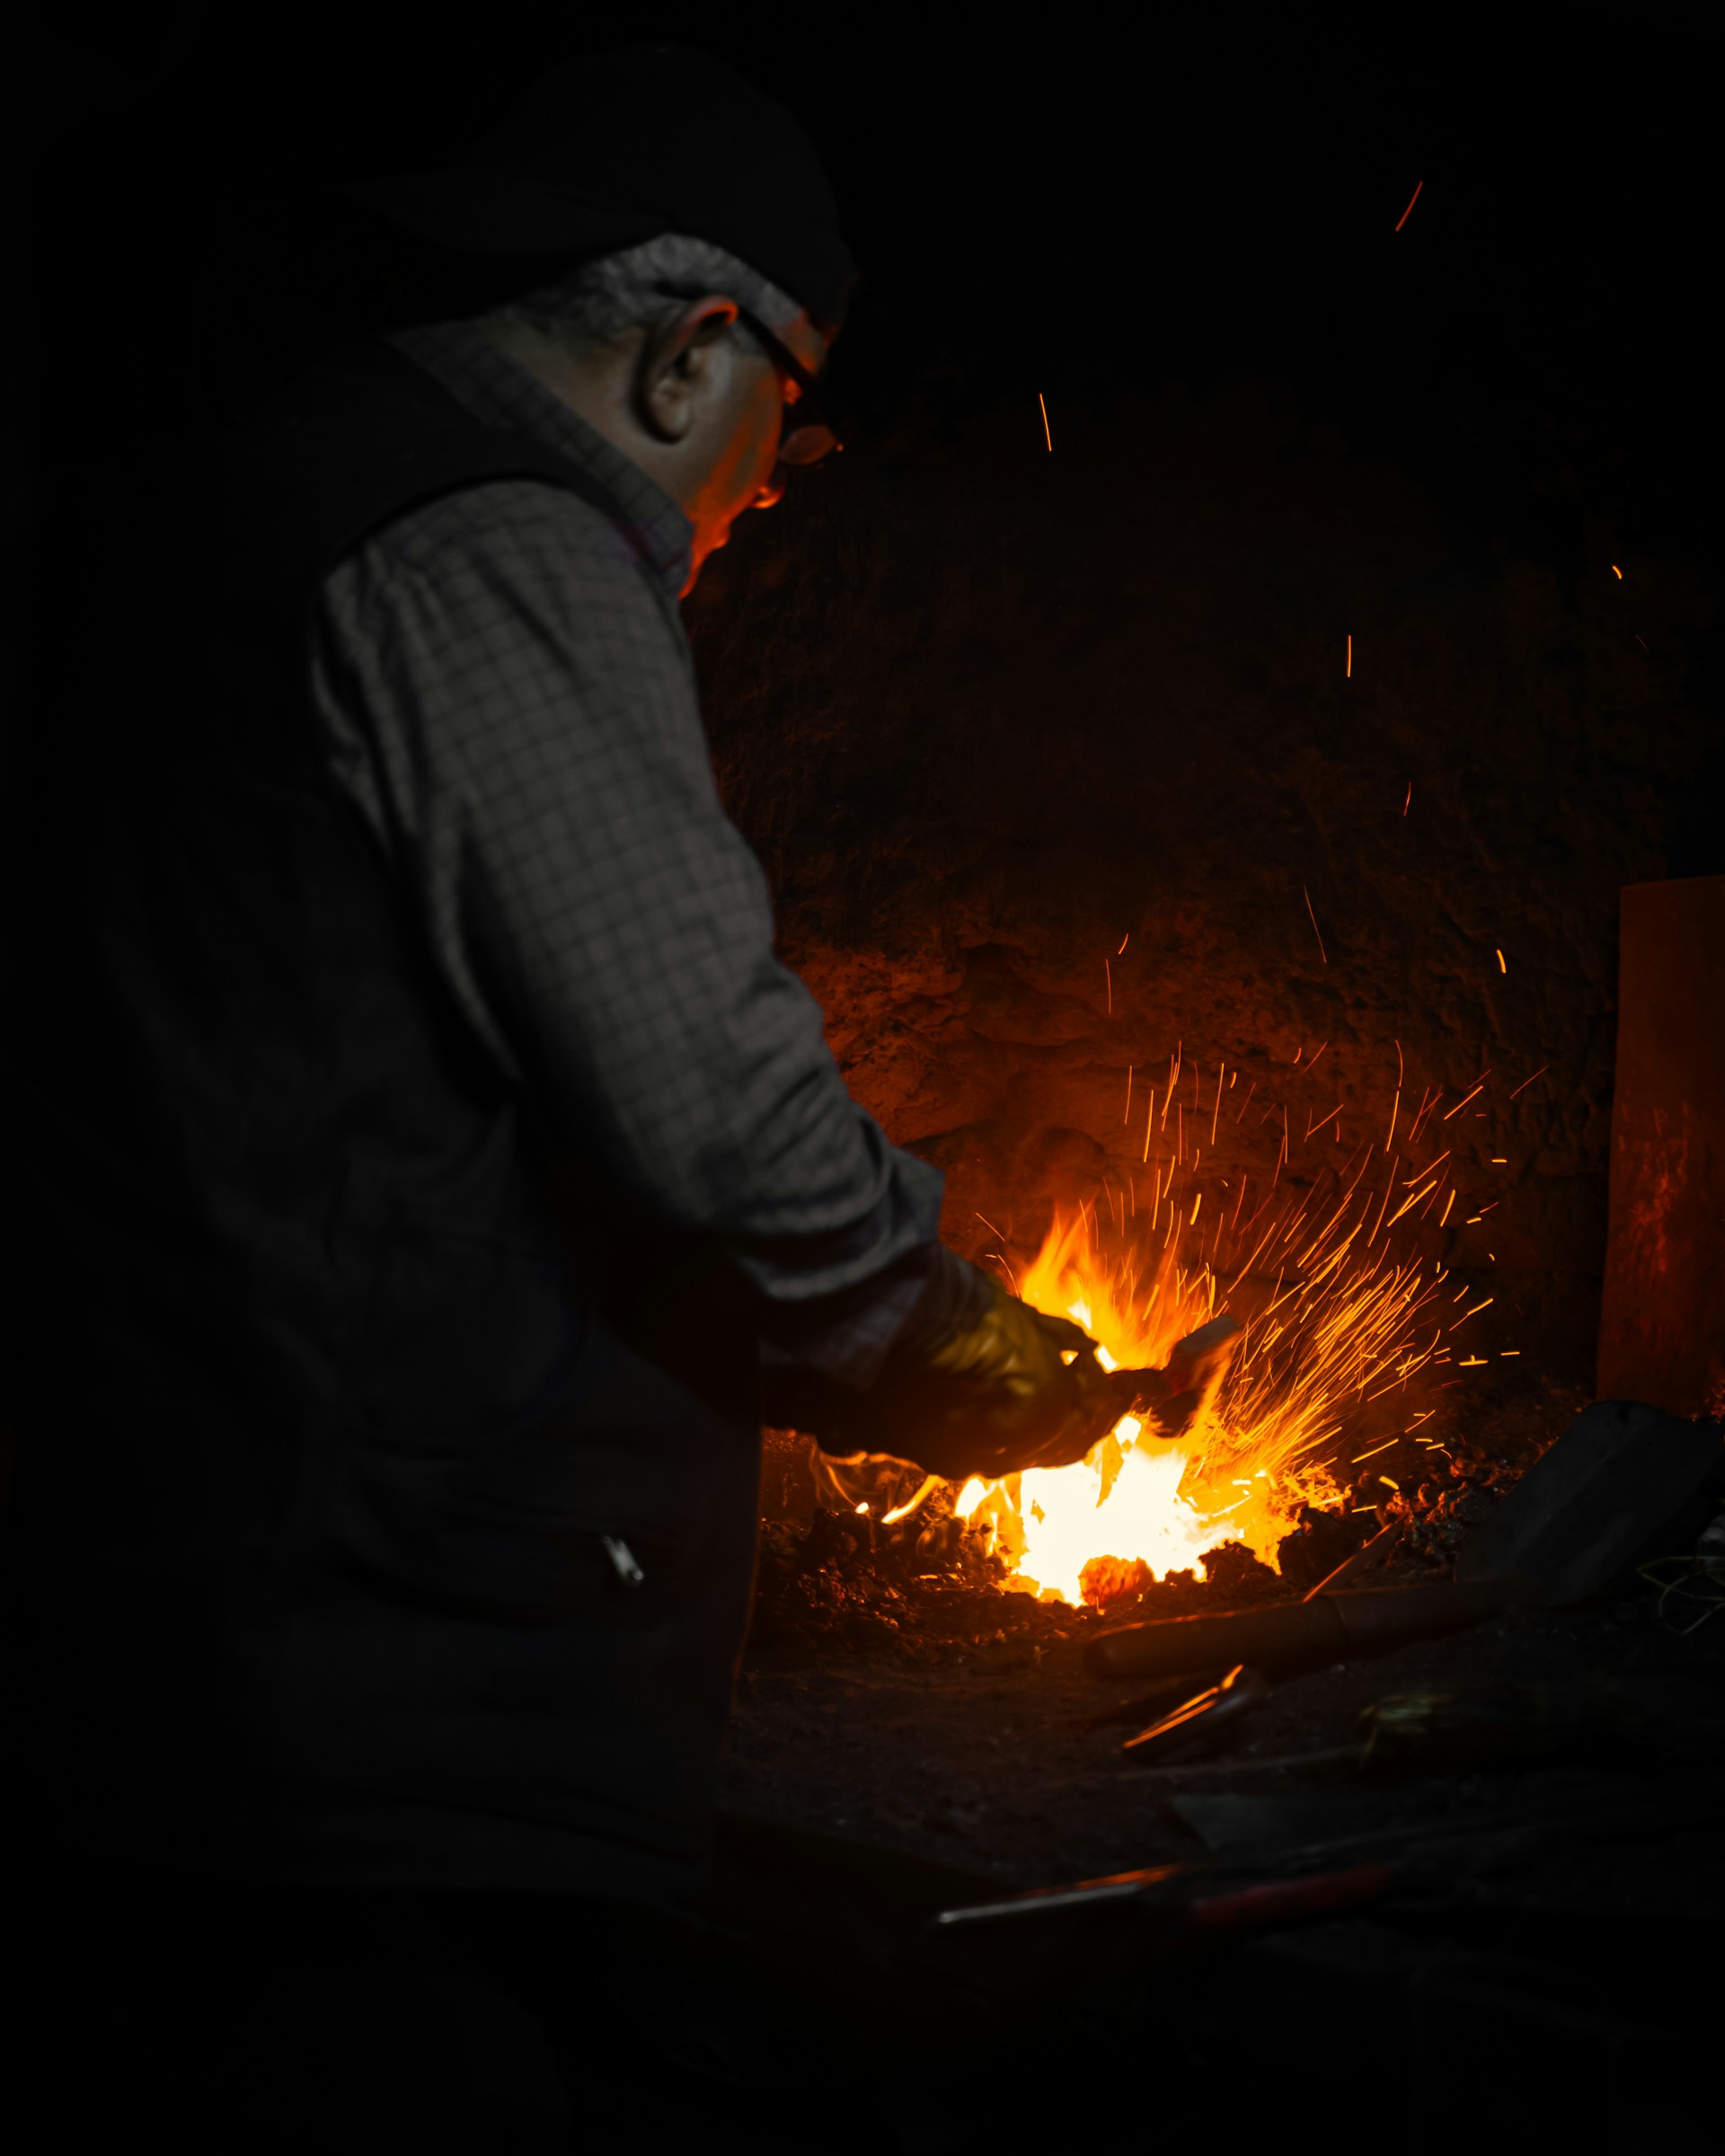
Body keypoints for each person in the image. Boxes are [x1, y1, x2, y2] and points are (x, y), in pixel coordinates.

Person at [2, 41, 1123, 2146]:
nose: (764, 504)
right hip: (345, 1702)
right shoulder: (493, 538)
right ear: (699, 352)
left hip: (177, 1620)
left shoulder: (229, 495)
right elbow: (711, 1105)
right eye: (785, 436)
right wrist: (967, 1354)